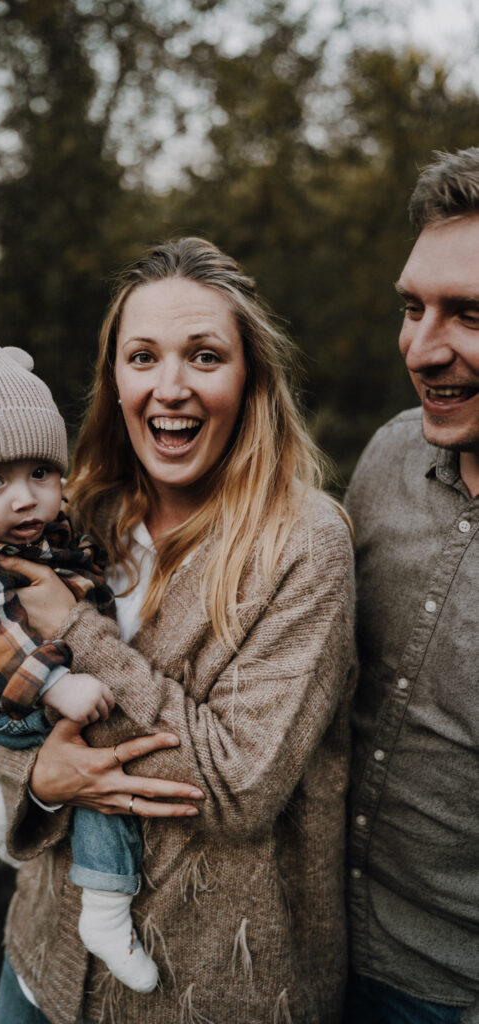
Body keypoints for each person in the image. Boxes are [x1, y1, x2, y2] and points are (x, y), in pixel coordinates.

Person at [0, 237, 357, 1024]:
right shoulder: (73, 510)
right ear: (113, 381)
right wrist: (40, 776)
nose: (169, 387)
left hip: (207, 992)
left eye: (204, 357)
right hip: (43, 965)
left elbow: (235, 787)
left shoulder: (303, 544)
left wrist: (80, 632)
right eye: (142, 357)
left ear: (250, 381)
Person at [0, 335, 160, 992]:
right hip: (9, 692)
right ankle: (106, 908)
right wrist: (57, 682)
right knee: (105, 771)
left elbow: (79, 562)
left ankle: (5, 805)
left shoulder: (34, 527)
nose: (24, 498)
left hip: (20, 690)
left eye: (40, 474)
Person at [344, 148, 479, 1024]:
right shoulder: (391, 453)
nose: (420, 349)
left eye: (467, 314)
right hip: (319, 949)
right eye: (411, 307)